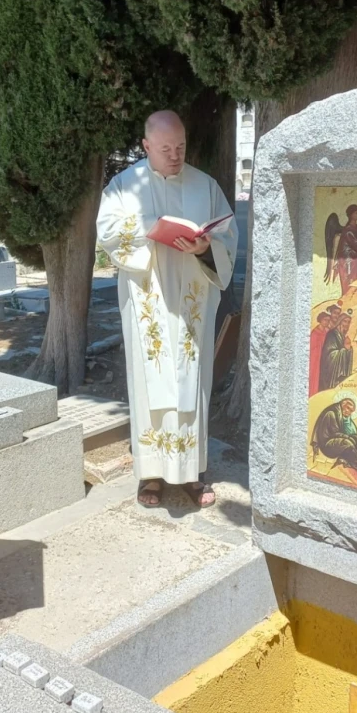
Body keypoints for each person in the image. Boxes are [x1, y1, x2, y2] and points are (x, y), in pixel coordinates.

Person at [96, 110, 238, 509]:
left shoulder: (204, 185)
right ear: (146, 147)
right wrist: (149, 228)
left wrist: (206, 247)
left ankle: (192, 474)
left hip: (191, 307)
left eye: (180, 147)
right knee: (149, 384)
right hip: (148, 303)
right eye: (165, 149)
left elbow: (227, 235)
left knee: (191, 385)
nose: (175, 156)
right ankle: (152, 476)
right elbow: (107, 233)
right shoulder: (124, 186)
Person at [311, 398, 357, 472]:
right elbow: (335, 433)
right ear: (343, 405)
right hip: (327, 445)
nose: (350, 413)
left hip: (334, 441)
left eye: (351, 411)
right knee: (347, 443)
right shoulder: (331, 413)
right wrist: (348, 437)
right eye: (349, 409)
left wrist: (351, 438)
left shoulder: (339, 413)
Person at [319, 313, 354, 391]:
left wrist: (349, 349)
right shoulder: (332, 334)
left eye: (349, 322)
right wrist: (344, 349)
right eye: (345, 321)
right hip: (330, 374)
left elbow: (345, 349)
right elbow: (329, 355)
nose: (347, 324)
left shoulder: (342, 335)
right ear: (339, 322)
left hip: (338, 375)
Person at [309, 312, 332, 396]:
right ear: (320, 320)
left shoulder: (327, 332)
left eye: (328, 320)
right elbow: (312, 347)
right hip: (315, 359)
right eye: (325, 320)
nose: (326, 322)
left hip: (324, 358)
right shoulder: (315, 333)